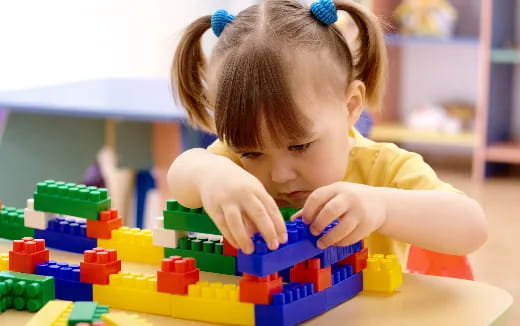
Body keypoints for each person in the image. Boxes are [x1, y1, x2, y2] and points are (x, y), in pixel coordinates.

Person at [167, 0, 487, 264]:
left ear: (350, 106)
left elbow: (472, 227)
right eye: (251, 152)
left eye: (300, 146)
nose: (278, 174)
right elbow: (184, 173)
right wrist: (210, 175)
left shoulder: (382, 169)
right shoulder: (233, 165)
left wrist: (383, 207)